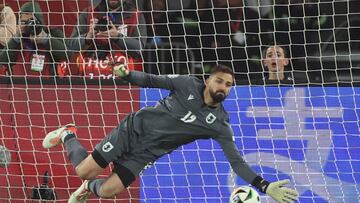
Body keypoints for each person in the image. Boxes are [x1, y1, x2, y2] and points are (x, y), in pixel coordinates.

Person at [43, 64, 299, 203]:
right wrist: (128, 74)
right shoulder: (187, 83)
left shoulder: (219, 124)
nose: (224, 87)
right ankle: (68, 134)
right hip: (133, 130)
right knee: (84, 170)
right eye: (220, 81)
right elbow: (153, 80)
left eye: (229, 85)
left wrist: (264, 186)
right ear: (208, 80)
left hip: (146, 153)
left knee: (109, 191)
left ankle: (89, 187)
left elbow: (237, 162)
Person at [61, 0, 147, 77]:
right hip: (89, 77)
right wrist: (87, 37)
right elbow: (71, 46)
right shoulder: (88, 13)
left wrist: (118, 37)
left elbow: (139, 49)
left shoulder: (135, 16)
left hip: (122, 77)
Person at [0, 2, 68, 76]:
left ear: (39, 21)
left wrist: (45, 39)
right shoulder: (18, 40)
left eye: (30, 22)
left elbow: (68, 54)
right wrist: (16, 39)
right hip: (20, 84)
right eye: (23, 22)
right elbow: (3, 60)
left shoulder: (53, 33)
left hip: (48, 85)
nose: (26, 26)